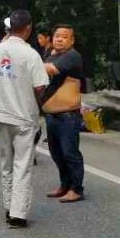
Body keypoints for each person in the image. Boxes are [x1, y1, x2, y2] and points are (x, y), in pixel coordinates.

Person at [0, 10, 49, 228]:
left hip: (2, 115)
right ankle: (17, 213)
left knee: (6, 162)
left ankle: (8, 204)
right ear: (28, 28)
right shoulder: (31, 55)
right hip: (23, 116)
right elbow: (40, 86)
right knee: (22, 164)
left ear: (9, 27)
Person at [42, 25, 85, 203]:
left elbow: (50, 70)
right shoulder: (51, 55)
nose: (59, 39)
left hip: (68, 116)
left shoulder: (72, 56)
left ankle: (76, 188)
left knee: (70, 153)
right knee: (56, 153)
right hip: (52, 116)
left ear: (72, 40)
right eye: (57, 36)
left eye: (64, 37)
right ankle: (65, 184)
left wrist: (27, 62)